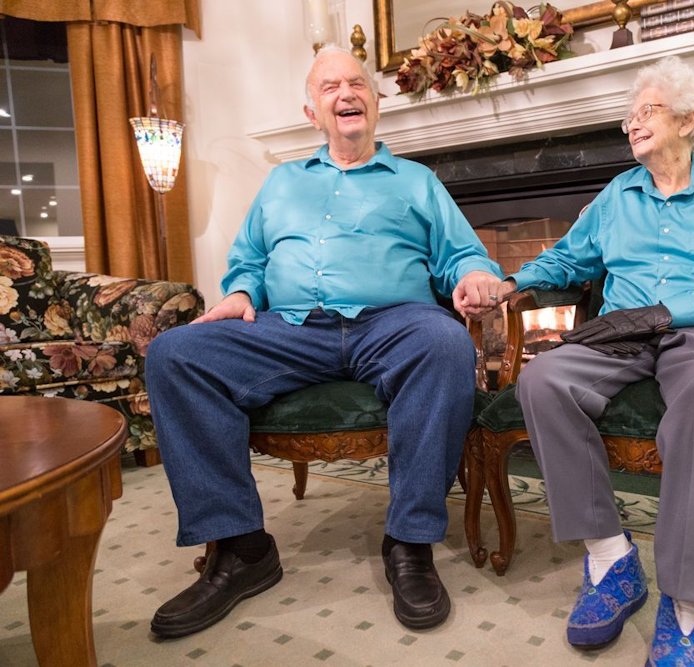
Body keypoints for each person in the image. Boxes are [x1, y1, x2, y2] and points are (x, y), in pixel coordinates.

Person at [145, 45, 504, 639]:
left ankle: (409, 544)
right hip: (290, 329)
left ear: (376, 101)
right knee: (174, 355)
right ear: (313, 111)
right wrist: (240, 293)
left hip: (392, 324)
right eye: (330, 86)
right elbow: (251, 261)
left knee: (446, 343)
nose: (346, 93)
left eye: (357, 83)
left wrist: (471, 277)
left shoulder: (417, 181)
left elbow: (462, 254)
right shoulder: (281, 182)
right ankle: (241, 549)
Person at [494, 55, 694, 665]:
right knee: (543, 378)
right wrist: (510, 281)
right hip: (622, 332)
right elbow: (569, 260)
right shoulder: (616, 194)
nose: (631, 124)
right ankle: (610, 558)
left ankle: (690, 604)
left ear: (686, 117)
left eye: (644, 111)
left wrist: (673, 311)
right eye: (628, 117)